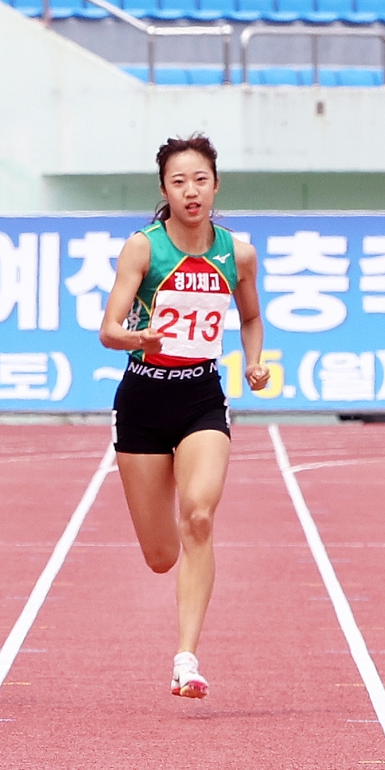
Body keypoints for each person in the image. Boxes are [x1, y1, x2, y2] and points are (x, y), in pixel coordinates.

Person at [99, 134, 269, 699]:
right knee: (160, 555)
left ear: (216, 185)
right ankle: (172, 564)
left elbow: (249, 317)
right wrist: (139, 335)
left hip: (201, 397)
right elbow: (108, 330)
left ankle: (186, 658)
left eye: (200, 180)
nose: (190, 191)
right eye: (178, 182)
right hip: (143, 401)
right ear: (164, 190)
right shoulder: (143, 249)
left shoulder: (237, 253)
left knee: (198, 516)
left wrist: (253, 362)